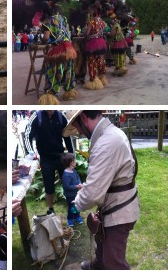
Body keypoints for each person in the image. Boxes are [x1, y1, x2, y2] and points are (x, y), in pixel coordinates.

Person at [63, 110, 139, 270]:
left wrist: (76, 203)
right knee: (102, 241)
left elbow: (92, 195)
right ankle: (98, 266)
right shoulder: (111, 132)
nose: (81, 132)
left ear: (83, 117)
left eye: (79, 127)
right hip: (116, 203)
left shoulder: (106, 142)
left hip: (120, 210)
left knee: (115, 263)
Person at [24, 0, 77, 103]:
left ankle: (50, 96)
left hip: (58, 50)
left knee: (53, 72)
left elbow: (47, 38)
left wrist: (42, 38)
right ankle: (69, 91)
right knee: (68, 71)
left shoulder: (49, 21)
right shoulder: (64, 19)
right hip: (69, 49)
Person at [28, 110, 74, 214]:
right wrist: (31, 152)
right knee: (49, 185)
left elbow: (67, 135)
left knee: (68, 183)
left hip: (60, 156)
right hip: (45, 158)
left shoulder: (60, 116)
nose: (51, 110)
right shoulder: (37, 116)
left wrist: (71, 155)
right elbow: (29, 136)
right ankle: (51, 209)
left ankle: (72, 206)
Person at [61, 152, 84, 227]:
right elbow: (66, 186)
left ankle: (77, 216)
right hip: (70, 195)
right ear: (71, 163)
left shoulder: (73, 170)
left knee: (77, 205)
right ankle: (70, 218)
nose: (76, 161)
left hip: (76, 193)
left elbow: (77, 177)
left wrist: (80, 183)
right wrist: (76, 186)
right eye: (75, 160)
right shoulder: (66, 175)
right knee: (71, 207)